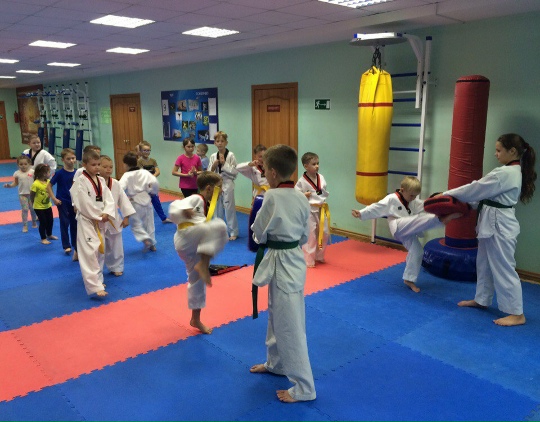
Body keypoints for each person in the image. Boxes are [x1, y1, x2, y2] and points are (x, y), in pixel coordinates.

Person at [441, 133, 537, 327]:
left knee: (504, 267)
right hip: (491, 221)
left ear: (512, 151)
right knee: (483, 263)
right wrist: (453, 204)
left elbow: (475, 188)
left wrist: (445, 195)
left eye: (499, 150)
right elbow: (483, 197)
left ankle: (517, 313)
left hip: (500, 225)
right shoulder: (509, 172)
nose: (496, 154)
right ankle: (482, 299)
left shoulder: (506, 173)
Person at [249, 144, 316, 404]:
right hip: (292, 259)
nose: (263, 173)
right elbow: (304, 235)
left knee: (290, 325)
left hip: (282, 262)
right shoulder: (301, 197)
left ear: (273, 172)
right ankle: (276, 363)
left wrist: (262, 237)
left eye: (265, 169)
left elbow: (258, 230)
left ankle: (305, 387)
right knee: (277, 315)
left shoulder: (272, 197)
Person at [352, 176, 461, 293]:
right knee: (418, 219)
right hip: (398, 226)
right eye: (411, 195)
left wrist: (440, 198)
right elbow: (377, 207)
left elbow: (425, 204)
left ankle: (409, 279)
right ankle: (440, 219)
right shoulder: (391, 199)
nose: (413, 198)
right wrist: (361, 213)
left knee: (417, 251)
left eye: (415, 196)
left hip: (408, 230)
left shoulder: (412, 200)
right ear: (402, 190)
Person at [168, 171, 228, 334]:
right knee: (220, 226)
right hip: (186, 236)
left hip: (192, 244)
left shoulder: (206, 205)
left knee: (197, 281)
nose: (221, 191)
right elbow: (174, 205)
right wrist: (184, 209)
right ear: (209, 188)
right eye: (219, 187)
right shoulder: (197, 198)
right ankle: (204, 264)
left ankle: (195, 319)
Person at [70, 150, 115, 298]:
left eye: (98, 164)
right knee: (90, 252)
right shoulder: (80, 181)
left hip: (101, 219)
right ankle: (94, 286)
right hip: (87, 220)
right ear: (84, 165)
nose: (97, 167)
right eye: (93, 165)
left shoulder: (101, 180)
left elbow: (109, 199)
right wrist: (97, 216)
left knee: (100, 250)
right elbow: (82, 203)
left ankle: (99, 280)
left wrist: (107, 212)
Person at [100, 155, 136, 276]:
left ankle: (116, 267)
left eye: (111, 167)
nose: (108, 169)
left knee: (116, 245)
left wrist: (126, 217)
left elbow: (123, 200)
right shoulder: (93, 183)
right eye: (105, 166)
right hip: (98, 219)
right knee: (98, 246)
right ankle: (97, 271)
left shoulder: (115, 183)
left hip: (113, 218)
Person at [295, 152, 330, 267]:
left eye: (318, 163)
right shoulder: (302, 181)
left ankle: (319, 256)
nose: (317, 166)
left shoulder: (321, 177)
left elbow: (323, 192)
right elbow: (295, 194)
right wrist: (303, 195)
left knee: (324, 232)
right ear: (306, 166)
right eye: (314, 164)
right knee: (311, 235)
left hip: (321, 209)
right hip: (309, 210)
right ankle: (308, 260)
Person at [120, 152, 160, 251]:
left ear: (125, 164)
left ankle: (145, 239)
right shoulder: (145, 172)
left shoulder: (126, 175)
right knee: (149, 223)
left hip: (135, 201)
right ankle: (152, 244)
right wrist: (153, 192)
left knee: (135, 224)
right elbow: (155, 182)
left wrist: (123, 199)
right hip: (147, 200)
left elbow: (120, 188)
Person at [209, 131, 239, 240]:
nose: (220, 143)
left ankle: (233, 232)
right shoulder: (213, 156)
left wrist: (224, 164)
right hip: (216, 184)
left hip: (227, 183)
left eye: (222, 141)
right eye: (217, 141)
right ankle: (219, 231)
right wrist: (214, 166)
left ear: (226, 142)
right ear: (215, 143)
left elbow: (235, 172)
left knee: (229, 209)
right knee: (217, 210)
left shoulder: (231, 155)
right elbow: (209, 172)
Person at [48, 148, 77, 256]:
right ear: (63, 160)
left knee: (75, 223)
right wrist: (54, 198)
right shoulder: (60, 173)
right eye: (68, 159)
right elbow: (49, 186)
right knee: (64, 222)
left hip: (73, 201)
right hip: (62, 201)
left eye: (73, 158)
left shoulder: (77, 173)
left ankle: (75, 243)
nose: (71, 161)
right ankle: (66, 245)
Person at [138, 140, 172, 224]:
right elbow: (142, 173)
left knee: (156, 202)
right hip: (144, 185)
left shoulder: (153, 160)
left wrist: (152, 177)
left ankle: (163, 218)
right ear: (141, 151)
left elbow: (158, 171)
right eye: (144, 150)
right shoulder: (139, 161)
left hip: (152, 185)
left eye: (148, 150)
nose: (146, 152)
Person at [3, 155, 38, 232]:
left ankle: (34, 222)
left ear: (29, 164)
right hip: (22, 194)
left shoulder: (32, 172)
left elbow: (36, 182)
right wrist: (9, 185)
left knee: (33, 209)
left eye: (25, 164)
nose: (23, 166)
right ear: (18, 165)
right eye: (21, 164)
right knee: (25, 209)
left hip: (32, 194)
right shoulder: (17, 173)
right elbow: (15, 183)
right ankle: (25, 225)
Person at [30, 164, 58, 245]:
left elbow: (50, 191)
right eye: (48, 172)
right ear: (43, 174)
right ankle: (43, 238)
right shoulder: (36, 184)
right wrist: (33, 203)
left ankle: (49, 234)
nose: (50, 174)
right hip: (39, 207)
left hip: (47, 205)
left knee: (50, 221)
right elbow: (32, 195)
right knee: (43, 222)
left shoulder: (48, 181)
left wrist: (51, 196)